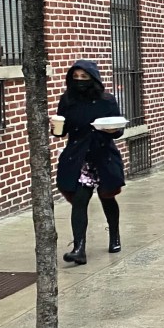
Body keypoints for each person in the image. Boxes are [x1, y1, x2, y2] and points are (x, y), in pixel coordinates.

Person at [54, 60, 125, 265]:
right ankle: (79, 249)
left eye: (84, 77)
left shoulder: (107, 100)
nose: (79, 81)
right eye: (75, 77)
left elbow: (118, 129)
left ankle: (114, 235)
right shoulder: (67, 100)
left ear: (93, 79)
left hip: (103, 155)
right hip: (79, 157)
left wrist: (113, 130)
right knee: (80, 200)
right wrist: (55, 127)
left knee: (107, 197)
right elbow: (62, 130)